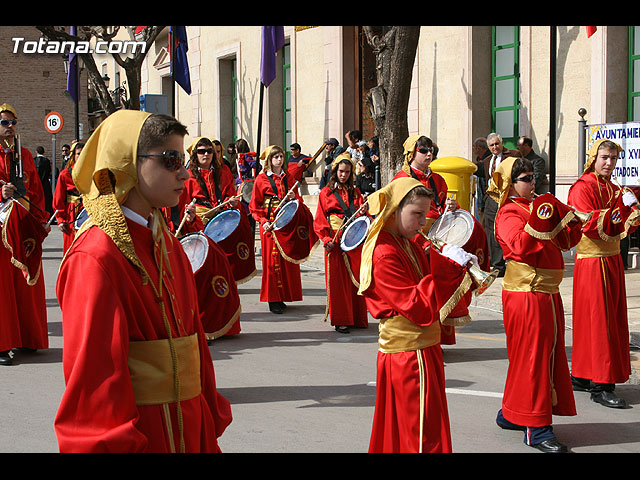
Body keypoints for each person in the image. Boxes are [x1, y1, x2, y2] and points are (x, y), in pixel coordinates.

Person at [54, 110, 232, 452]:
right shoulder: (96, 257)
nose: (185, 171)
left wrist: (206, 414)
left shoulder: (167, 243)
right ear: (127, 164)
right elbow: (94, 382)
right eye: (171, 159)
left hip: (190, 421)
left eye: (185, 159)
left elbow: (195, 342)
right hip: (145, 432)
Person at [358, 177, 477, 453]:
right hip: (410, 354)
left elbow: (429, 288)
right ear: (396, 209)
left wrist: (457, 266)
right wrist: (447, 268)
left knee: (412, 429)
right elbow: (417, 304)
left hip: (420, 348)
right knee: (422, 432)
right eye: (417, 214)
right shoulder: (384, 253)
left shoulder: (405, 242)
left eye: (425, 214)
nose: (423, 223)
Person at [488, 156, 582, 453]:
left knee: (544, 355)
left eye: (533, 177)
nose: (533, 182)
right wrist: (544, 215)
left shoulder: (536, 206)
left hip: (547, 294)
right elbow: (519, 246)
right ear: (511, 184)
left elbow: (565, 241)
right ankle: (536, 428)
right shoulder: (508, 212)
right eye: (525, 178)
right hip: (526, 293)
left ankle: (513, 414)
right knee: (533, 358)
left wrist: (570, 219)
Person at [567, 138, 640, 408]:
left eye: (613, 158)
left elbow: (623, 227)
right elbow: (587, 222)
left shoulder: (614, 187)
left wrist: (632, 211)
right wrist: (622, 210)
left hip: (611, 261)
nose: (609, 163)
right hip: (592, 262)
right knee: (598, 322)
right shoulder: (581, 187)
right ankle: (601, 384)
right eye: (604, 157)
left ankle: (585, 375)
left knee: (608, 320)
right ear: (593, 158)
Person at [0, 103, 50, 366]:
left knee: (26, 281)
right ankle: (2, 343)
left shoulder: (26, 155)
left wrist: (41, 220)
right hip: (0, 229)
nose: (9, 127)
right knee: (3, 288)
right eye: (4, 123)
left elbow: (36, 191)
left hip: (23, 226)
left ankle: (28, 337)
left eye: (12, 122)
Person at [313, 153, 368, 333]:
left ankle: (357, 318)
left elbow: (362, 217)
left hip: (353, 239)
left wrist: (365, 212)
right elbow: (320, 219)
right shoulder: (326, 193)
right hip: (334, 239)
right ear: (335, 172)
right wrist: (326, 239)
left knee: (355, 279)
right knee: (338, 282)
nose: (343, 175)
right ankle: (341, 319)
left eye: (347, 172)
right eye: (341, 171)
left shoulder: (356, 192)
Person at [249, 145, 305, 314]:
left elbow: (297, 200)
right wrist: (263, 220)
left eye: (281, 156)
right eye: (276, 157)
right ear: (269, 160)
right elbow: (254, 205)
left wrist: (294, 197)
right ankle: (272, 299)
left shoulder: (288, 177)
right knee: (271, 263)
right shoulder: (261, 179)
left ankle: (282, 296)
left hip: (285, 222)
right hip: (270, 223)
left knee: (286, 260)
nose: (279, 160)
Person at [482, 133, 521, 276]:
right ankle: (498, 265)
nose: (495, 147)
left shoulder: (514, 155)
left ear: (502, 143)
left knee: (510, 229)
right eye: (491, 145)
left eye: (497, 144)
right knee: (492, 232)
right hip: (492, 199)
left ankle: (513, 261)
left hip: (508, 198)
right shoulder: (487, 161)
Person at [53, 141, 85, 254]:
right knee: (71, 248)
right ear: (73, 156)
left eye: (84, 153)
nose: (81, 156)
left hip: (89, 212)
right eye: (78, 154)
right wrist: (60, 219)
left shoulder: (92, 173)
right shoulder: (65, 174)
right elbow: (58, 198)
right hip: (71, 214)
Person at [472, 137, 491, 216]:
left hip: (486, 197)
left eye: (474, 146)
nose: (473, 148)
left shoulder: (489, 159)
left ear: (479, 148)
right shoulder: (479, 159)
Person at [34, 146, 54, 216]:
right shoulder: (47, 161)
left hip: (36, 183)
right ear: (44, 152)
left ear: (36, 152)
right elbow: (49, 171)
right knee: (47, 199)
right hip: (45, 183)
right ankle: (48, 213)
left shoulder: (34, 160)